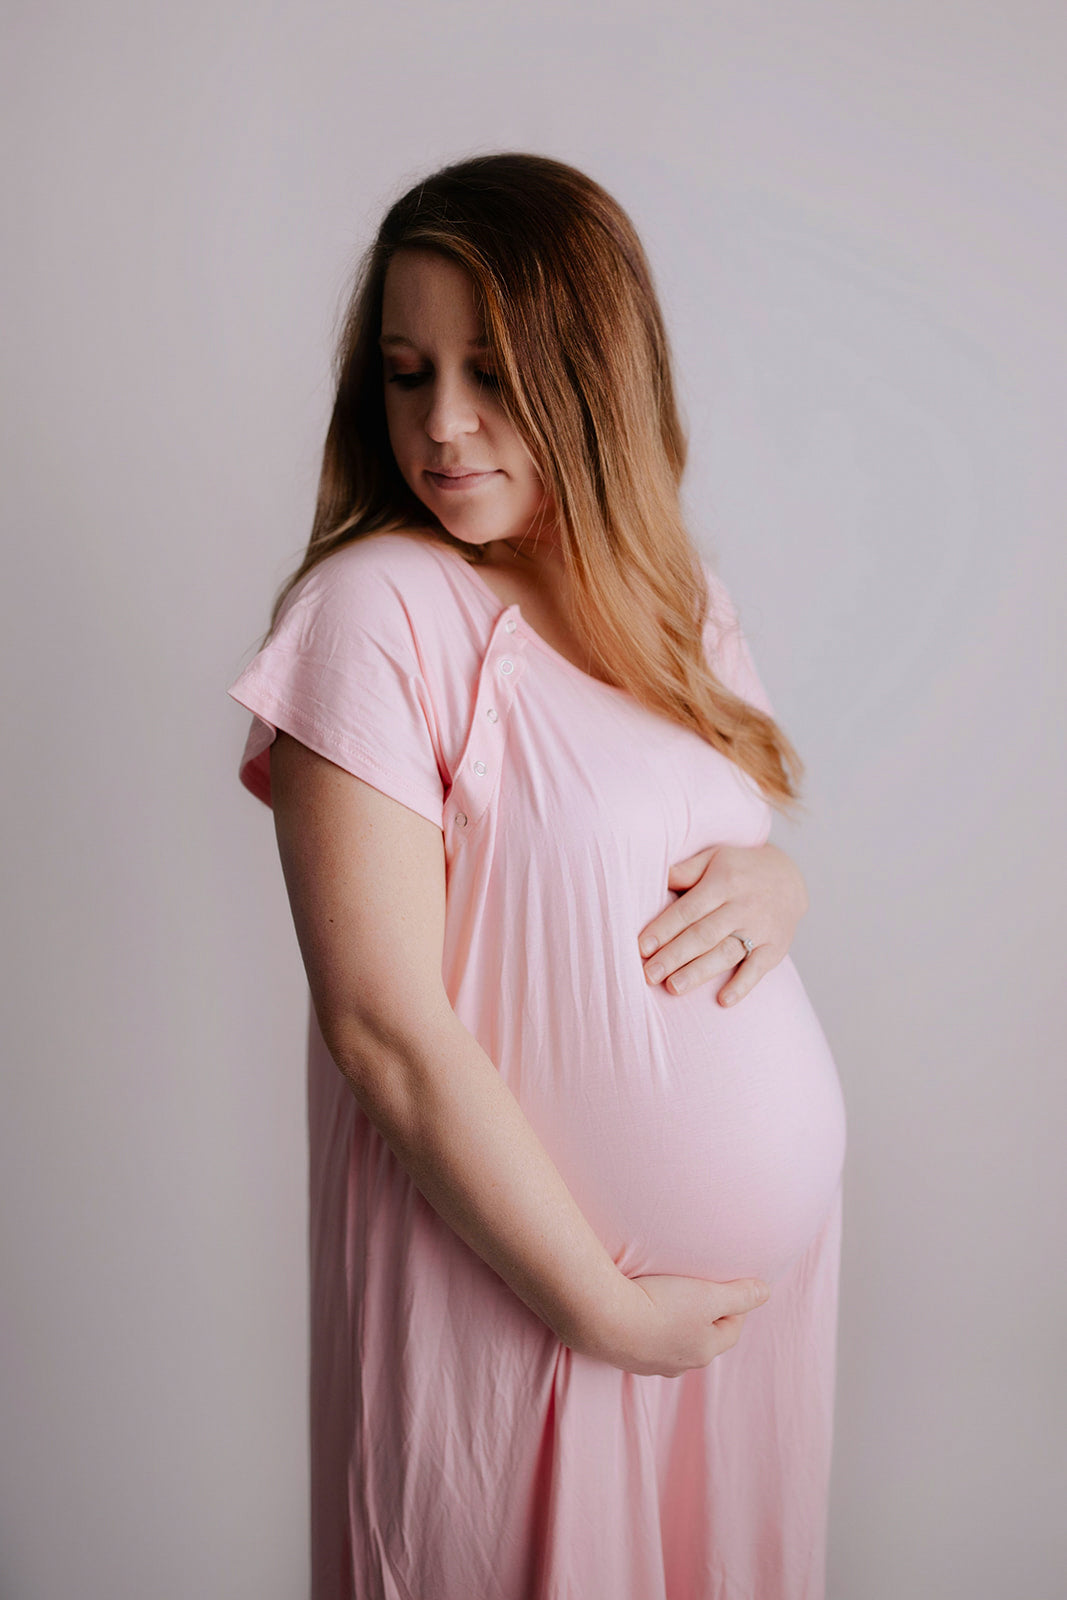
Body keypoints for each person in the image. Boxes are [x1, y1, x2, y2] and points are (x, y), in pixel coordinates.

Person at [226, 151, 848, 1600]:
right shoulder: (372, 610)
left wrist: (787, 891)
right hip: (519, 1314)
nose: (441, 426)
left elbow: (712, 857)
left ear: (593, 372)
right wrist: (600, 1313)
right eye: (406, 372)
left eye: (491, 373)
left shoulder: (676, 604)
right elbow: (382, 1029)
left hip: (740, 1336)